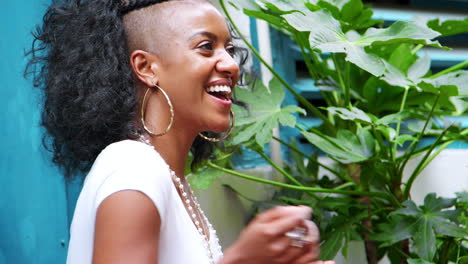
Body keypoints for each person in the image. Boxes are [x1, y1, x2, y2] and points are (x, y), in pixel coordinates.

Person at [27, 0, 336, 263]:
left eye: (229, 49)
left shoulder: (168, 177)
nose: (230, 64)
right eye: (206, 47)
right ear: (146, 68)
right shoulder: (132, 170)